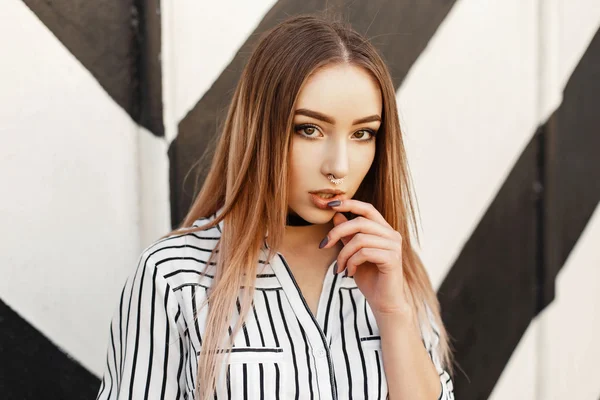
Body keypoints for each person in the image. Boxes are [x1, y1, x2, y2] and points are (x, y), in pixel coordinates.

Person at [96, 13, 455, 400]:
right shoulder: (174, 276)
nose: (338, 166)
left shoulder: (395, 274)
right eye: (309, 129)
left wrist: (393, 313)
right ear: (261, 128)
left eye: (362, 133)